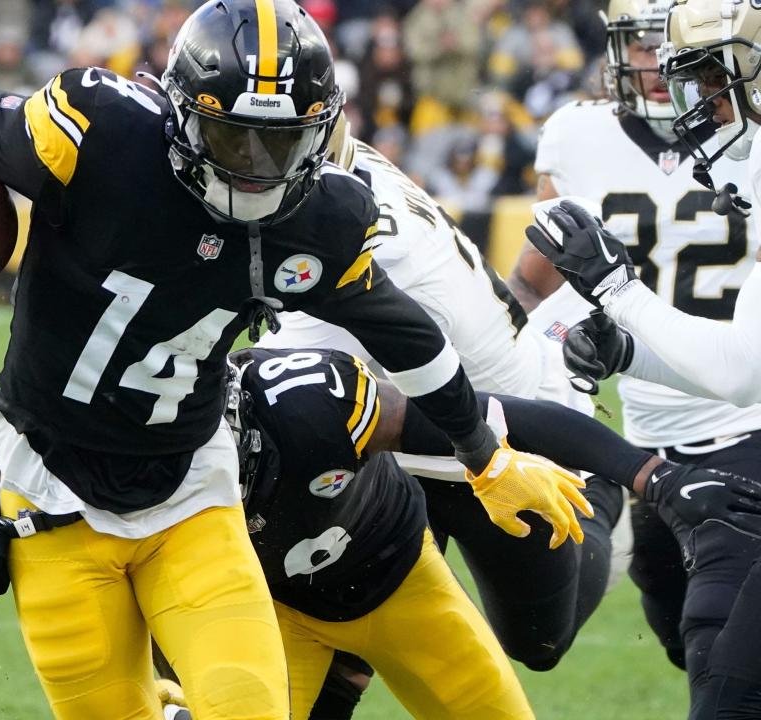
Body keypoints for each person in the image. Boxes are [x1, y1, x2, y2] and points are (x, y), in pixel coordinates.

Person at [0, 2, 590, 718]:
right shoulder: (100, 131)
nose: (260, 169)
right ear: (181, 115)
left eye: (284, 144)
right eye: (237, 140)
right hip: (52, 493)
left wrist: (485, 457)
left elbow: (407, 334)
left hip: (192, 494)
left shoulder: (319, 217)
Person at [153, 346, 761, 720]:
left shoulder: (305, 401)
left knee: (535, 648)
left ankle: (594, 498)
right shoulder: (127, 483)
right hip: (273, 611)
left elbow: (491, 418)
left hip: (397, 581)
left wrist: (652, 478)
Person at [255, 115, 618, 720]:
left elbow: (268, 397)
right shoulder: (336, 174)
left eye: (268, 148)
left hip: (503, 432)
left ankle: (595, 485)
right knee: (333, 600)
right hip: (396, 428)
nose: (249, 165)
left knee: (538, 641)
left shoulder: (364, 255)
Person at [523, 3, 761, 715]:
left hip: (747, 438)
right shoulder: (581, 134)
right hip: (661, 447)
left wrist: (618, 293)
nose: (687, 94)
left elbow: (739, 372)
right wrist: (629, 354)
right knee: (695, 646)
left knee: (725, 682)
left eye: (710, 79)